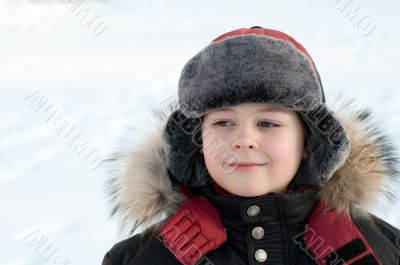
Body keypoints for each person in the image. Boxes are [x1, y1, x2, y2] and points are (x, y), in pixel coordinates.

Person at [101, 26, 400, 265]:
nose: (243, 140)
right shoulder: (139, 258)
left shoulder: (381, 251)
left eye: (268, 123)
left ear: (310, 141)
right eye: (223, 123)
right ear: (197, 142)